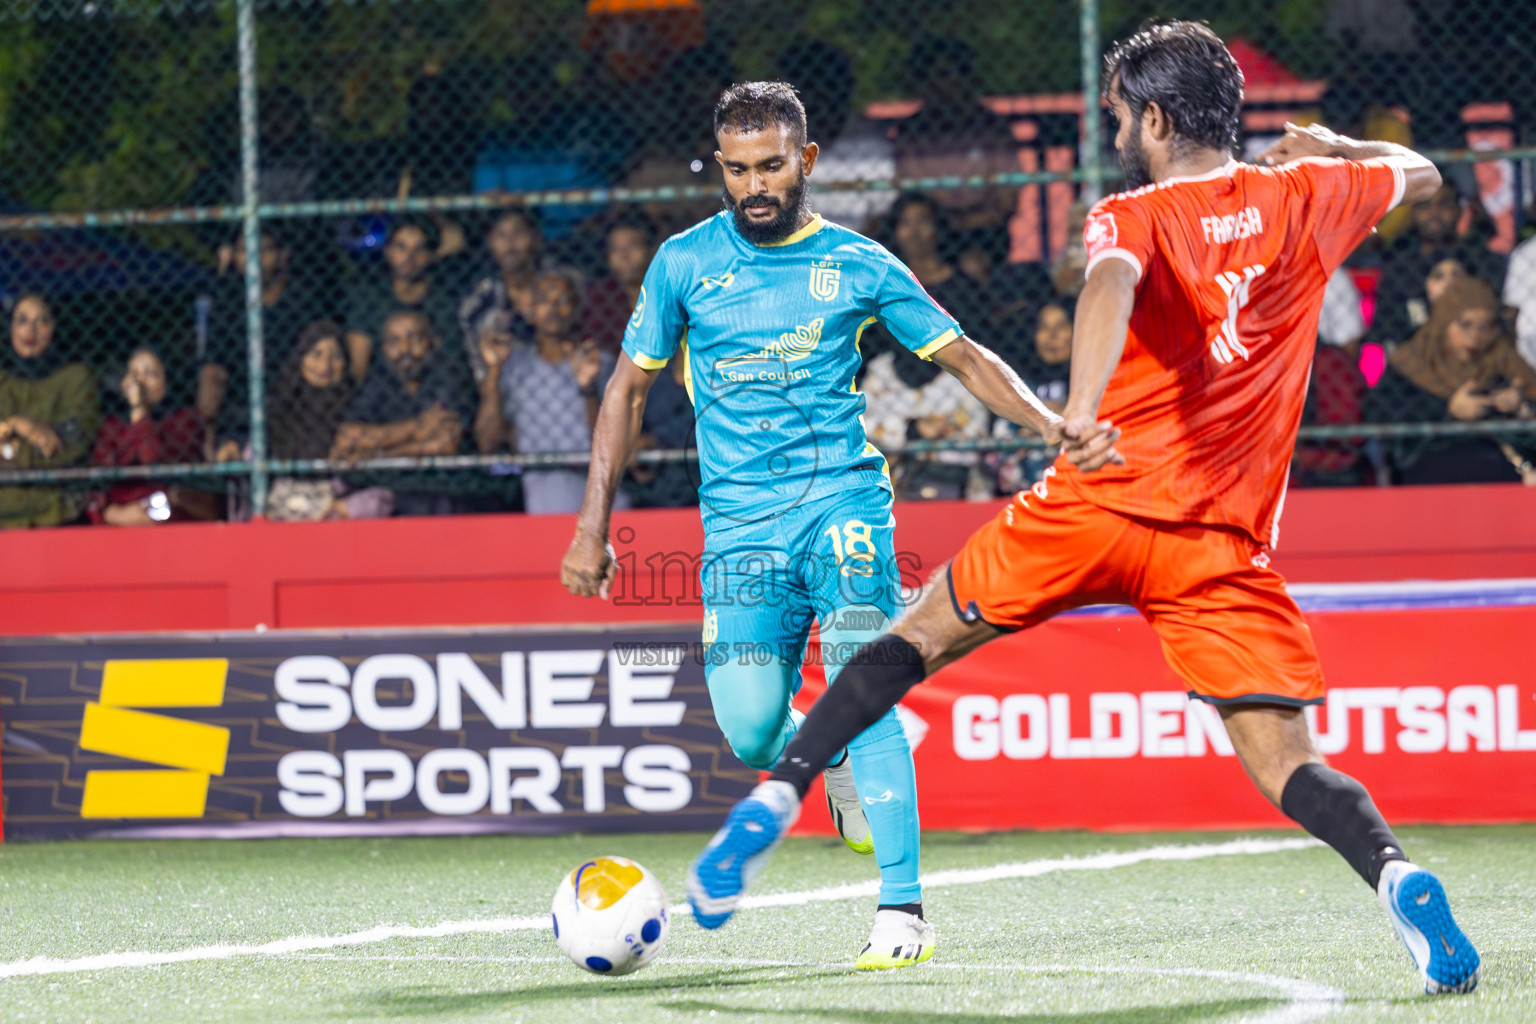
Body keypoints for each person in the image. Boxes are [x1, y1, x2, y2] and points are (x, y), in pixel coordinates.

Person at [688, 23, 1483, 997]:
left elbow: (1109, 285)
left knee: (914, 637)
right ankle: (1394, 870)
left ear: (1153, 118)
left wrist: (1079, 405)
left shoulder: (1135, 213)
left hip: (1097, 502)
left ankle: (780, 791)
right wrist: (1342, 147)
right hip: (1220, 544)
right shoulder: (1313, 192)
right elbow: (1430, 176)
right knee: (1284, 760)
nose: (1114, 130)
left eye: (1116, 116)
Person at [560, 81, 1061, 969]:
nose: (756, 185)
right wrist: (592, 526)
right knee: (752, 731)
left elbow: (964, 359)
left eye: (772, 166)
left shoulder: (860, 264)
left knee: (865, 681)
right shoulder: (682, 263)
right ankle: (827, 758)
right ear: (720, 167)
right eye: (739, 169)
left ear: (808, 161)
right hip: (741, 532)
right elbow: (626, 390)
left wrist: (1054, 428)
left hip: (844, 509)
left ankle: (902, 912)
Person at [474, 268, 623, 515]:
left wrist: (587, 387)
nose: (553, 309)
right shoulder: (514, 366)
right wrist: (493, 371)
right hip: (543, 487)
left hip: (602, 483)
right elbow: (488, 443)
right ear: (530, 311)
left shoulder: (602, 363)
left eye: (563, 301)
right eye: (544, 300)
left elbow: (613, 439)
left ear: (577, 310)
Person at [1364, 277, 1536, 483]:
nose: (1475, 336)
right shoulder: (1412, 362)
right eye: (1465, 324)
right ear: (1445, 320)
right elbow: (1380, 416)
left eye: (1486, 326)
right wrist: (1448, 412)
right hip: (1427, 477)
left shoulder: (1504, 362)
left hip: (1499, 477)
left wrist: (1521, 409)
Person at [334, 308, 475, 516]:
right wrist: (417, 429)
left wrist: (377, 453)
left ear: (433, 343)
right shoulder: (380, 381)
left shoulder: (449, 377)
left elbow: (445, 444)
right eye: (394, 342)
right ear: (383, 349)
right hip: (390, 494)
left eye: (415, 339)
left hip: (442, 492)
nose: (404, 349)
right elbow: (347, 438)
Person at [200, 225, 323, 445]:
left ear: (283, 256)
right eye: (244, 250)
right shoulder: (228, 304)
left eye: (263, 250)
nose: (253, 258)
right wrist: (208, 433)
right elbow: (214, 369)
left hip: (296, 408)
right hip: (239, 413)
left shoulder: (304, 300)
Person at [266, 321, 393, 521]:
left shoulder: (357, 408)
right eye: (316, 354)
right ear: (301, 359)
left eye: (335, 357)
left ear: (346, 364)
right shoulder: (278, 409)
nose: (325, 366)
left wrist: (344, 505)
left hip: (339, 515)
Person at [0, 294, 100, 528]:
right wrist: (31, 431)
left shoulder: (76, 378)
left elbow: (71, 445)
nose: (30, 330)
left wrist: (12, 432)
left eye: (41, 320)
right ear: (10, 327)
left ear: (55, 327)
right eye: (22, 320)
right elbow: (48, 445)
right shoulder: (2, 382)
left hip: (55, 513)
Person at [88, 347, 214, 526]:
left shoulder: (184, 420)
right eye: (134, 374)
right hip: (119, 519)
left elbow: (153, 458)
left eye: (151, 374)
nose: (139, 382)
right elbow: (97, 479)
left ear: (167, 381)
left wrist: (140, 412)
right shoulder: (112, 425)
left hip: (170, 519)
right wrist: (112, 513)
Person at [345, 218, 462, 383]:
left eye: (419, 249)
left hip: (435, 386)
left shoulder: (443, 296)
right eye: (401, 247)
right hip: (382, 388)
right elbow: (358, 366)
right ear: (388, 251)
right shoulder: (372, 295)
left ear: (430, 255)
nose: (409, 257)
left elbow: (451, 358)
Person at [458, 209, 544, 384]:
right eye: (501, 235)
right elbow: (477, 368)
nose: (510, 243)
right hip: (501, 388)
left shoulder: (556, 285)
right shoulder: (481, 300)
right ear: (491, 242)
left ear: (535, 238)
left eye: (518, 233)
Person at [583, 213, 657, 355]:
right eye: (616, 249)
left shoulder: (671, 292)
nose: (624, 255)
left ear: (652, 251)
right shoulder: (600, 296)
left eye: (633, 246)